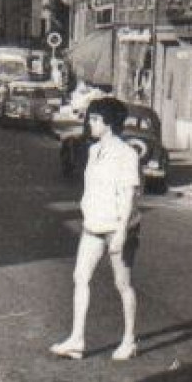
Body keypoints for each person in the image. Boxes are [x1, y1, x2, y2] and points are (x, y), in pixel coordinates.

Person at [51, 96, 142, 361]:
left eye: (95, 119)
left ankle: (129, 340)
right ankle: (77, 339)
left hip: (118, 228)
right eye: (90, 119)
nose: (90, 124)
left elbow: (128, 196)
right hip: (94, 225)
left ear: (109, 123)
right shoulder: (94, 151)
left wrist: (123, 232)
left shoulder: (126, 154)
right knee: (80, 277)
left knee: (122, 284)